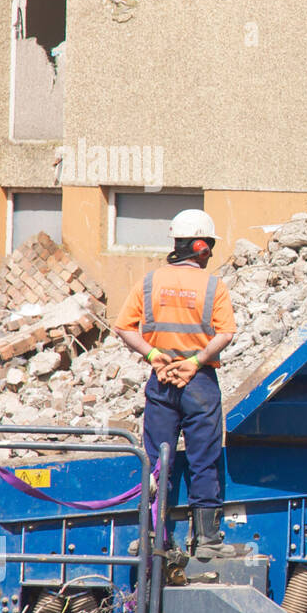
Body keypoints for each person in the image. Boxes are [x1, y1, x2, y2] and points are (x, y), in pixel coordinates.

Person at [114, 209, 237, 557]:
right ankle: (208, 542)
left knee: (155, 461)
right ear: (200, 246)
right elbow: (226, 333)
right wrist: (195, 361)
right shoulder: (214, 286)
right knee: (204, 460)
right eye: (209, 246)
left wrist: (154, 356)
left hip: (162, 380)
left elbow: (123, 327)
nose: (209, 254)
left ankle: (152, 537)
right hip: (199, 382)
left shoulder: (150, 282)